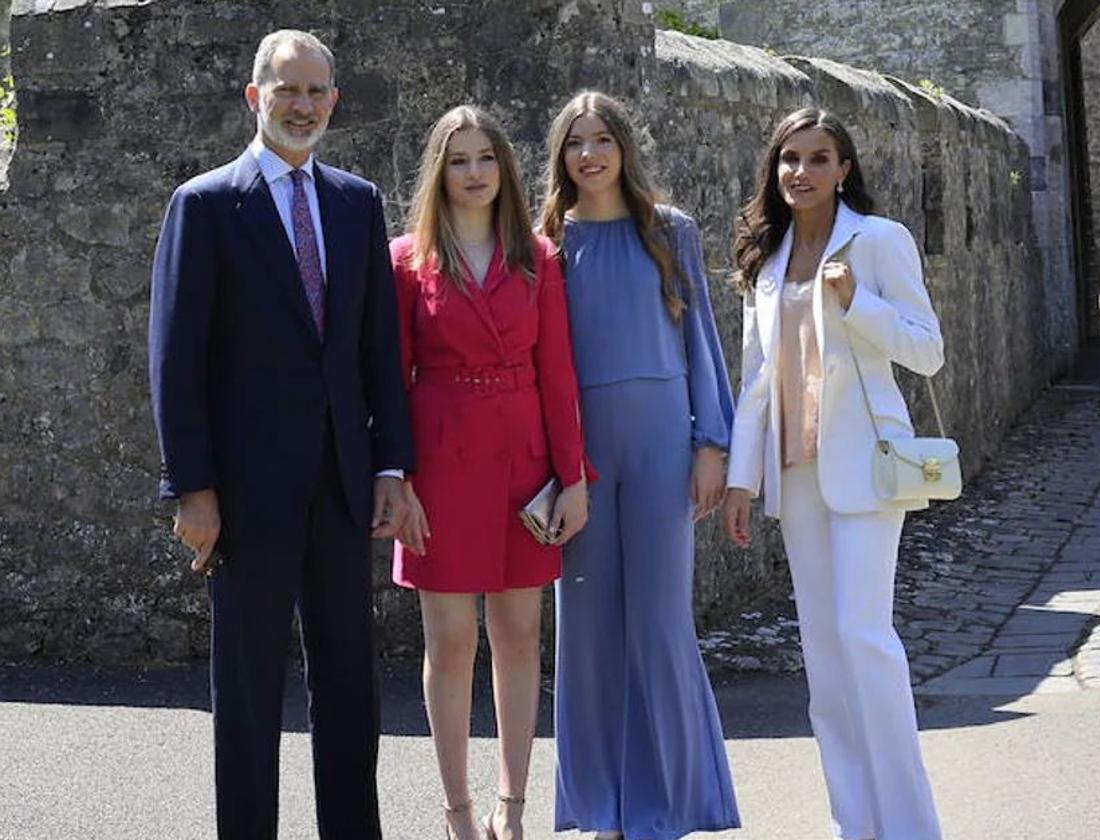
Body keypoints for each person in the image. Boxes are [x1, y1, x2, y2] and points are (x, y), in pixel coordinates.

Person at [148, 30, 412, 840]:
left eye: (316, 91)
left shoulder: (357, 201)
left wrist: (391, 467)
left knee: (349, 688)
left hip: (343, 483)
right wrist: (192, 488)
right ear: (253, 97)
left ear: (334, 101)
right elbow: (175, 357)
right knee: (250, 690)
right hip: (243, 495)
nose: (302, 105)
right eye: (286, 89)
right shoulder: (205, 205)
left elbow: (378, 350)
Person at [722, 107, 943, 840]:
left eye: (819, 159)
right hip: (797, 474)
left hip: (869, 468)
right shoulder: (769, 258)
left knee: (863, 635)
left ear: (844, 168)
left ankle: (910, 827)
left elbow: (926, 350)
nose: (802, 173)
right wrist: (741, 478)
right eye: (790, 159)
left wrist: (857, 303)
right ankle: (858, 826)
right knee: (822, 654)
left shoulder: (879, 241)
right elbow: (758, 378)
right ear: (774, 168)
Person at [540, 91, 741, 840]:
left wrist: (711, 444)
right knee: (588, 627)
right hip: (583, 453)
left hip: (663, 442)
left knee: (659, 622)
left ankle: (678, 802)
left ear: (624, 146)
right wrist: (559, 470)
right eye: (574, 143)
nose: (589, 155)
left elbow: (703, 346)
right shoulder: (548, 243)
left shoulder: (670, 230)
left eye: (601, 139)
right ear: (560, 157)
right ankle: (603, 807)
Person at [390, 105, 590, 840]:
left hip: (524, 464)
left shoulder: (538, 257)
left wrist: (572, 478)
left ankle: (513, 805)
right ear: (439, 172)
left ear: (505, 167)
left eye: (485, 159)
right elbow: (388, 377)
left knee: (518, 632)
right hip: (439, 464)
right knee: (449, 642)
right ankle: (457, 812)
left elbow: (559, 376)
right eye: (458, 160)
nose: (474, 174)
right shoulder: (405, 260)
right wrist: (398, 478)